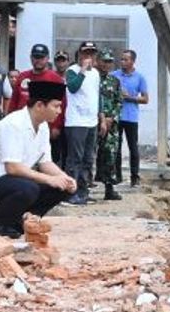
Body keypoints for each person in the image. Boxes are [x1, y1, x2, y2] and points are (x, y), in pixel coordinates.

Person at [0, 79, 76, 238]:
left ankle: (24, 220)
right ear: (40, 105)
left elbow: (45, 162)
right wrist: (49, 179)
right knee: (29, 188)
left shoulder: (43, 126)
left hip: (14, 180)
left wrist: (63, 177)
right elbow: (12, 167)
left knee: (62, 186)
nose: (59, 111)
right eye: (56, 106)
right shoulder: (14, 123)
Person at [62, 41, 100, 205]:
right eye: (85, 53)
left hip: (91, 121)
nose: (88, 56)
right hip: (76, 121)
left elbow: (96, 95)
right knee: (75, 159)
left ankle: (83, 191)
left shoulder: (96, 74)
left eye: (91, 53)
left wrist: (100, 116)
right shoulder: (72, 71)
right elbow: (72, 88)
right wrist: (83, 70)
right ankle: (71, 192)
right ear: (79, 54)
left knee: (88, 159)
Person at [111, 49, 148, 186]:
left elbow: (145, 99)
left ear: (132, 61)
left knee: (133, 147)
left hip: (131, 117)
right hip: (116, 116)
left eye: (126, 59)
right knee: (116, 147)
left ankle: (135, 176)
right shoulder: (114, 75)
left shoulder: (139, 77)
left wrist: (130, 98)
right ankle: (117, 175)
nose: (123, 62)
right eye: (121, 59)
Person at [95, 50, 123, 201]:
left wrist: (112, 117)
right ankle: (84, 187)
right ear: (98, 61)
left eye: (109, 62)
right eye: (104, 61)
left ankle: (109, 188)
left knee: (110, 155)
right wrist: (100, 119)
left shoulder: (115, 81)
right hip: (93, 122)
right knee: (90, 155)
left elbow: (119, 101)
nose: (107, 65)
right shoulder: (92, 78)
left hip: (111, 125)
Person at [51, 51, 71, 168]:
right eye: (59, 60)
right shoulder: (51, 77)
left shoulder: (72, 76)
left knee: (68, 152)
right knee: (55, 152)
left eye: (63, 60)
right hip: (56, 118)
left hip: (71, 119)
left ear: (67, 62)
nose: (61, 63)